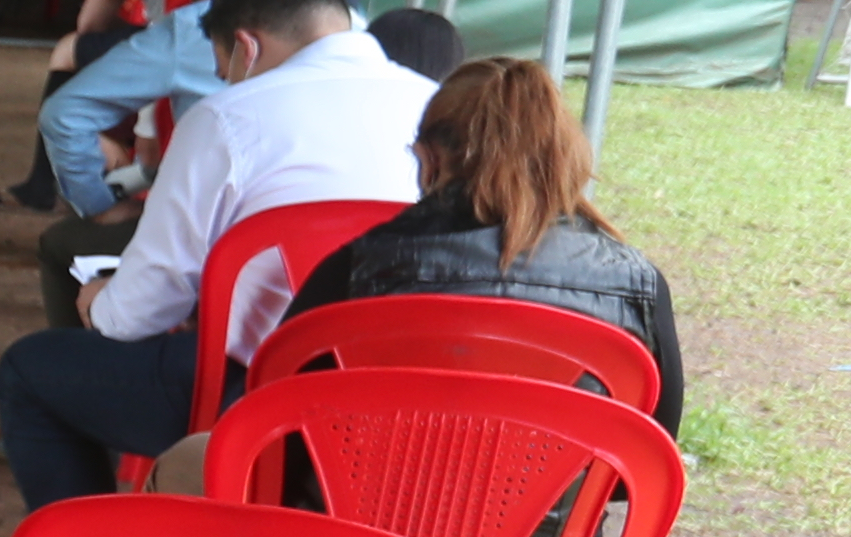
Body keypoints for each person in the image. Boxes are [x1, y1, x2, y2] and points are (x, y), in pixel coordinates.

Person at [0, 0, 435, 537]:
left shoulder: (230, 118)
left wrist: (99, 299)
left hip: (262, 408)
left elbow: (137, 313)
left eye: (222, 65)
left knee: (32, 372)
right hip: (419, 412)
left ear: (243, 47)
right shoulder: (439, 105)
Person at [275, 53, 683, 431]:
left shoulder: (357, 269)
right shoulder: (635, 287)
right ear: (565, 157)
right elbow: (647, 447)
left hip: (349, 509)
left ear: (430, 161)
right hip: (548, 512)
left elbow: (271, 430)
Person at [0, 0, 289, 221]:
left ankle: (43, 185)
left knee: (70, 52)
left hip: (214, 220)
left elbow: (89, 26)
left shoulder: (188, 23)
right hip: (314, 220)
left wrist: (101, 207)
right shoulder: (337, 25)